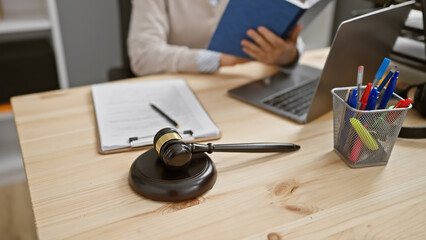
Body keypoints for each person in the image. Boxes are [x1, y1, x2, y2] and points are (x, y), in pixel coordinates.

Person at [128, 0, 304, 76]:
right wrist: (219, 60)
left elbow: (293, 41)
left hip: (244, 86)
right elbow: (143, 56)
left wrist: (287, 56)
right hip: (180, 91)